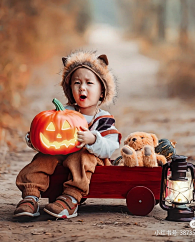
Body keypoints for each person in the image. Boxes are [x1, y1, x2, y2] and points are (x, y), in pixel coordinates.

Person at [13, 51, 121, 219]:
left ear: (102, 91)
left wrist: (93, 139)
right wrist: (35, 139)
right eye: (76, 83)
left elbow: (110, 147)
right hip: (61, 156)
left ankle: (70, 198)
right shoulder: (63, 113)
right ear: (70, 90)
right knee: (43, 157)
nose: (82, 87)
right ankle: (30, 195)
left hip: (91, 163)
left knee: (82, 155)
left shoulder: (103, 119)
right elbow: (49, 134)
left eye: (89, 83)